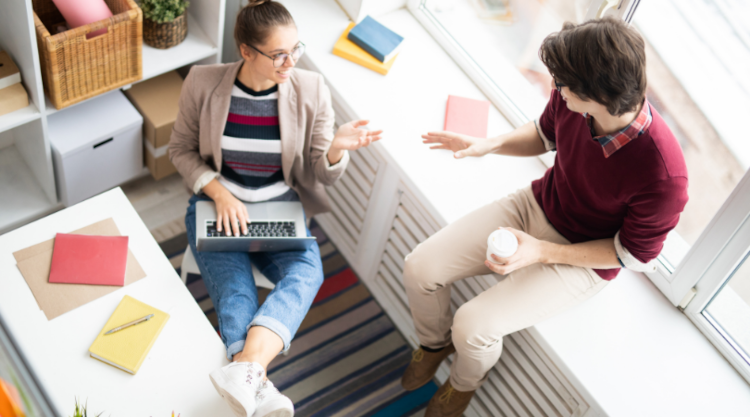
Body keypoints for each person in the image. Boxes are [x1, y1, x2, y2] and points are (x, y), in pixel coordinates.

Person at [400, 17, 688, 417]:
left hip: (582, 256)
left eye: (563, 84)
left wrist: (541, 252)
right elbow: (543, 134)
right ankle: (434, 344)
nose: (555, 87)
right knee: (419, 268)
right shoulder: (575, 103)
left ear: (597, 94)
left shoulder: (664, 174)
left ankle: (463, 386)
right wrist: (490, 144)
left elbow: (633, 256)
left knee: (472, 326)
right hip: (538, 203)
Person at [168, 1, 381, 415]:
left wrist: (336, 147)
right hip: (220, 203)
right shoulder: (203, 82)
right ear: (247, 51)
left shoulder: (311, 89)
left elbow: (321, 173)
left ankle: (246, 370)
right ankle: (259, 385)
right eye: (279, 54)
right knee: (235, 290)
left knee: (308, 270)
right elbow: (180, 149)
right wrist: (219, 192)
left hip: (278, 204)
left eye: (296, 49)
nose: (291, 61)